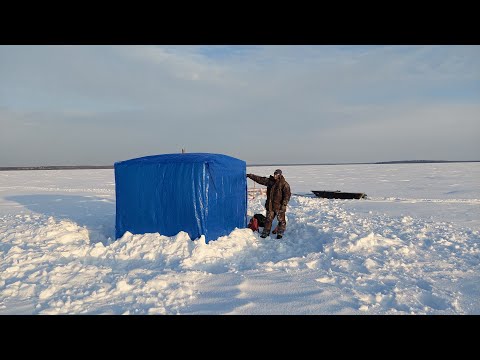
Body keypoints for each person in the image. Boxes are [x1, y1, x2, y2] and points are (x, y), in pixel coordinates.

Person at [247, 169, 291, 239]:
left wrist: (284, 205)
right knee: (268, 220)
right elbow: (260, 179)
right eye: (274, 174)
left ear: (280, 175)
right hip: (270, 206)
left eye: (277, 174)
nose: (275, 176)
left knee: (281, 220)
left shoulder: (284, 184)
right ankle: (265, 232)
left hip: (279, 207)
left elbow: (287, 196)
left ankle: (280, 233)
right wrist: (251, 176)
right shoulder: (270, 182)